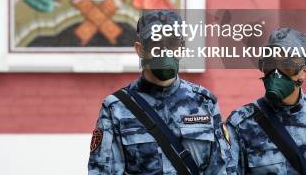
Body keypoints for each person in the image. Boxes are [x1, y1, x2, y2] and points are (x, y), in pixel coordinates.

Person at [88, 10, 234, 174]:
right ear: (140, 49)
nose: (164, 52)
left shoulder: (204, 102)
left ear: (181, 48)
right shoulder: (116, 108)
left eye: (172, 44)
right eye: (155, 44)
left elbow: (223, 169)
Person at [226, 27, 306, 174]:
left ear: (303, 72)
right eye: (270, 64)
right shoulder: (241, 123)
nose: (276, 73)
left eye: (287, 66)